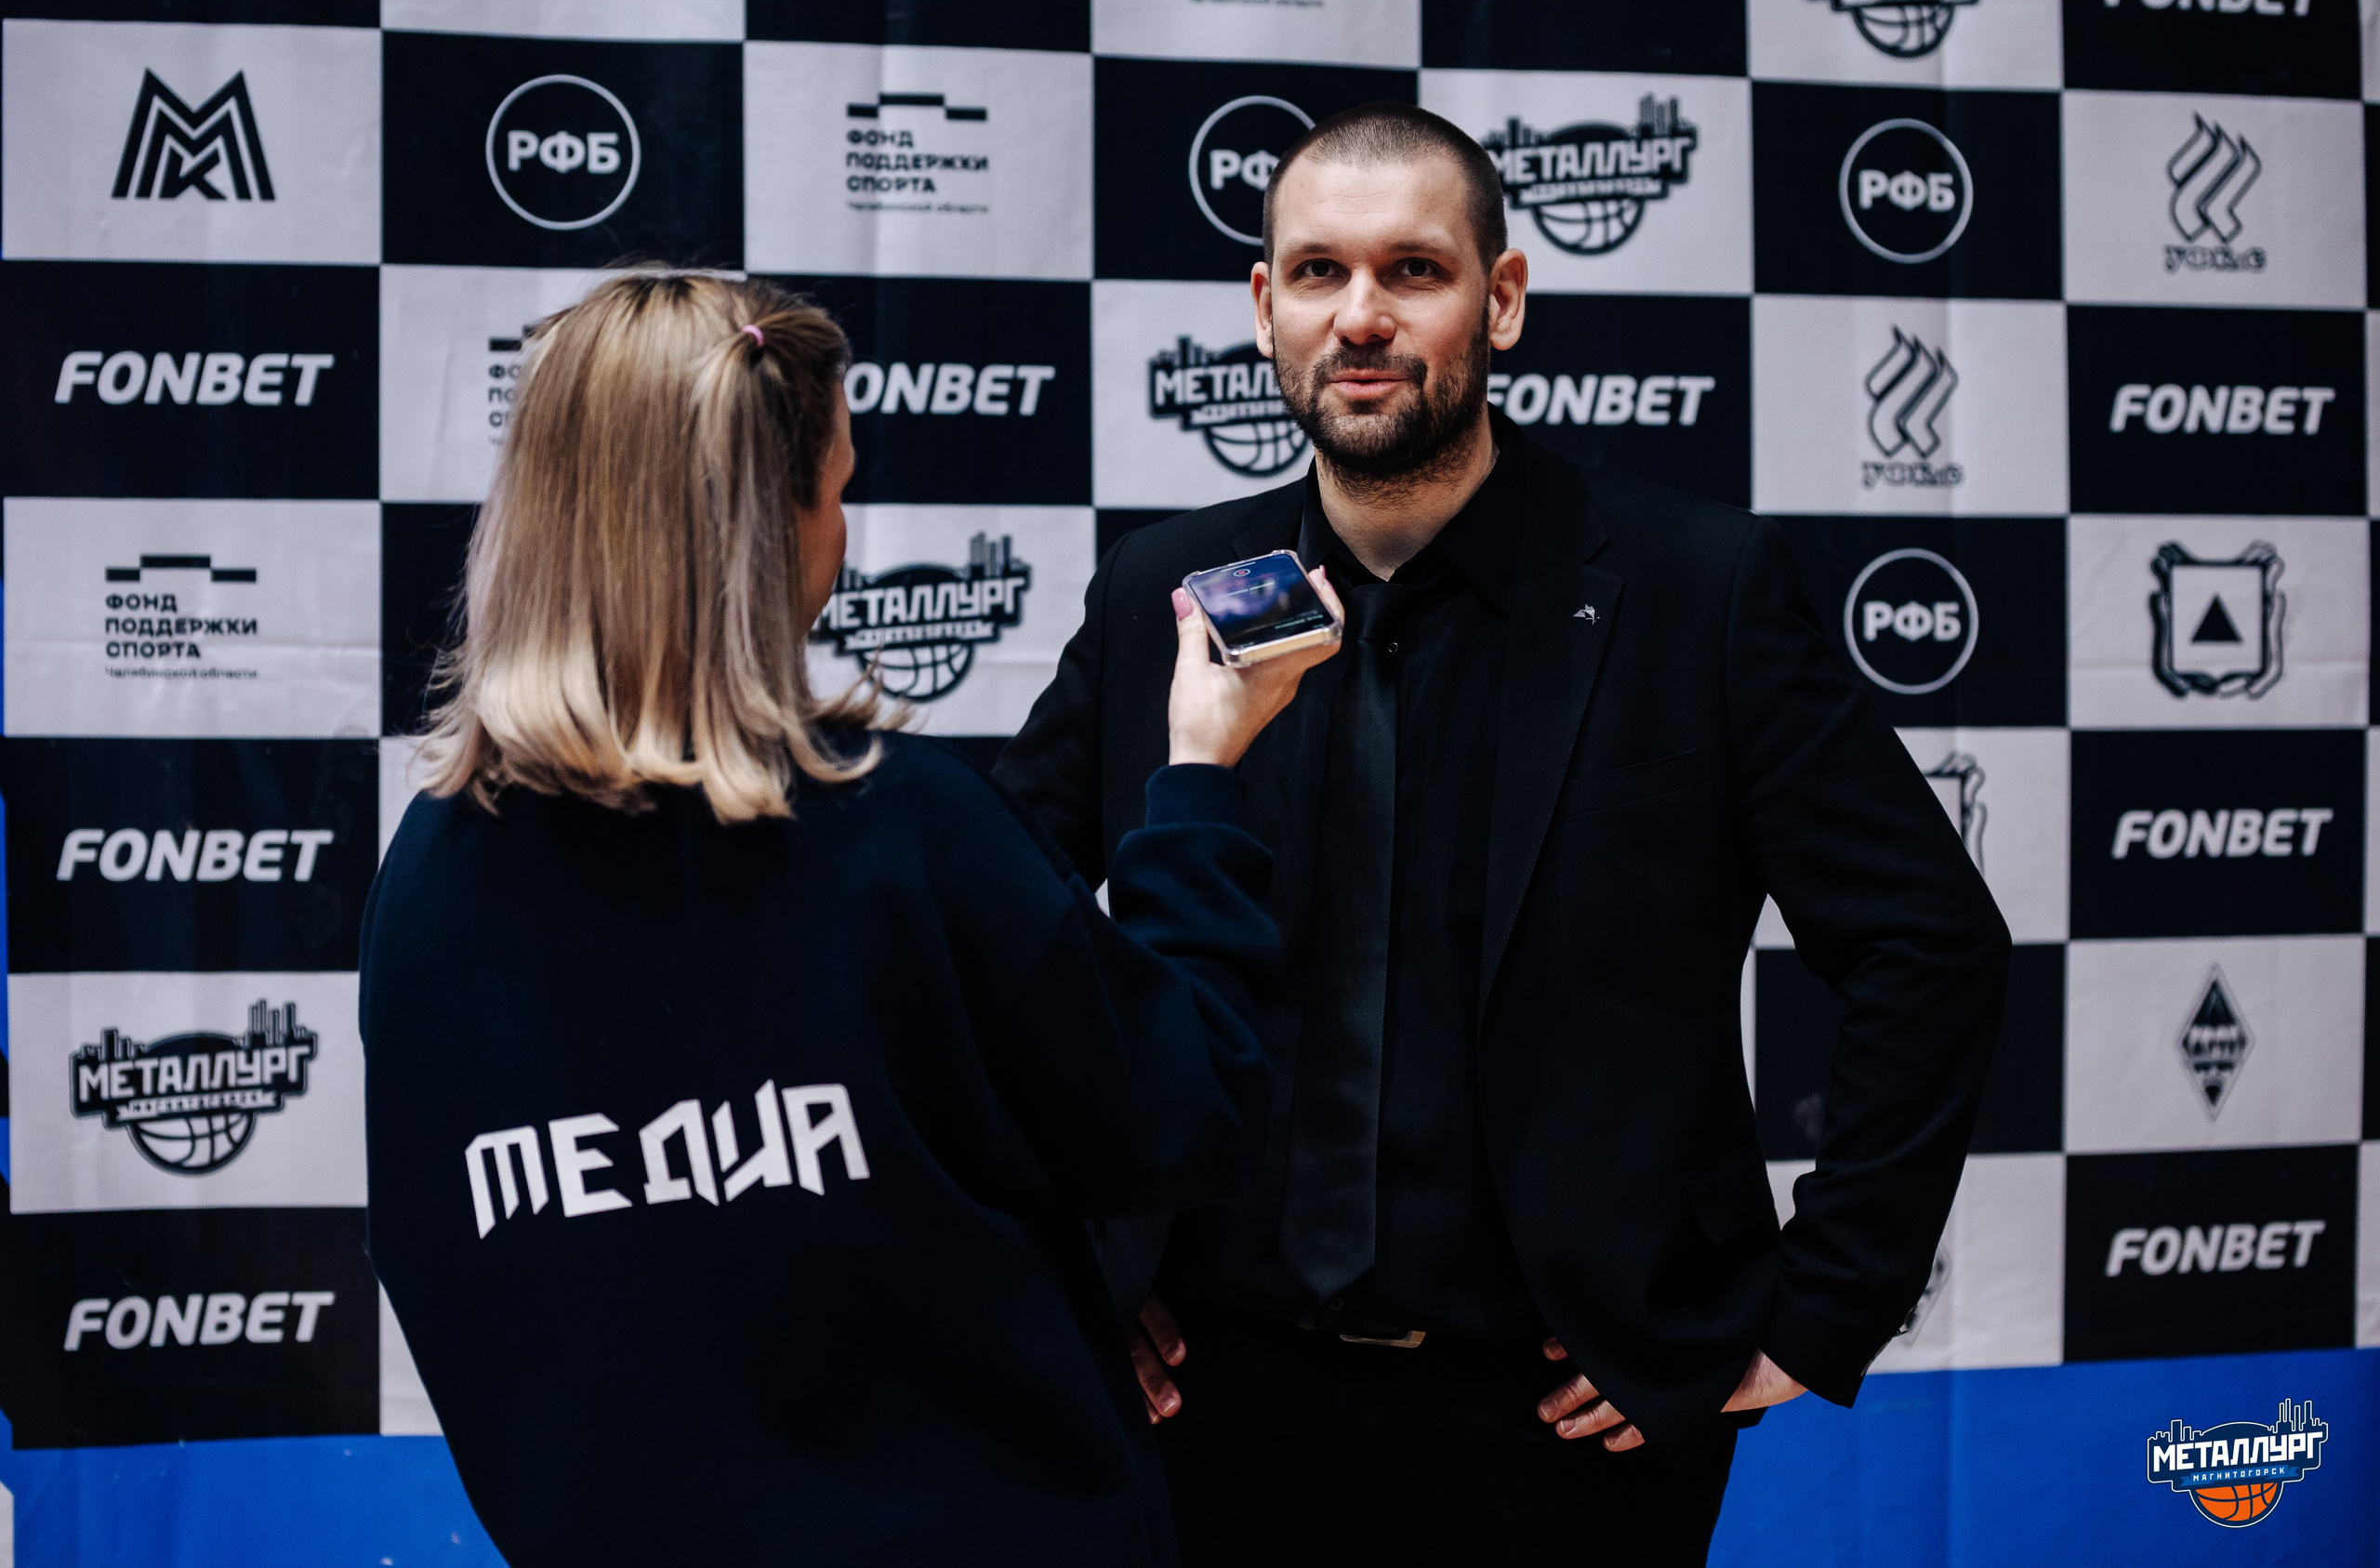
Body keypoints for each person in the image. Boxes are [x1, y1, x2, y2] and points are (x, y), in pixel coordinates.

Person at [996, 103, 2013, 1564]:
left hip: (1566, 1425)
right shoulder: (1164, 586)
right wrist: (1063, 1265)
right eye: (1318, 273)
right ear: (1264, 306)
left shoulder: (1696, 589)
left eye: (1414, 271)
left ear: (1504, 300)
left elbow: (1930, 944)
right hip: (1210, 1408)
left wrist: (1817, 1309)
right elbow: (983, 949)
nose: (1361, 316)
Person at [360, 271, 1338, 1567]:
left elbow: (457, 1297)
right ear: (771, 524)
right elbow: (1183, 1108)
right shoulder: (896, 826)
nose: (843, 532)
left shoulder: (424, 882)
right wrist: (1201, 783)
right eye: (837, 489)